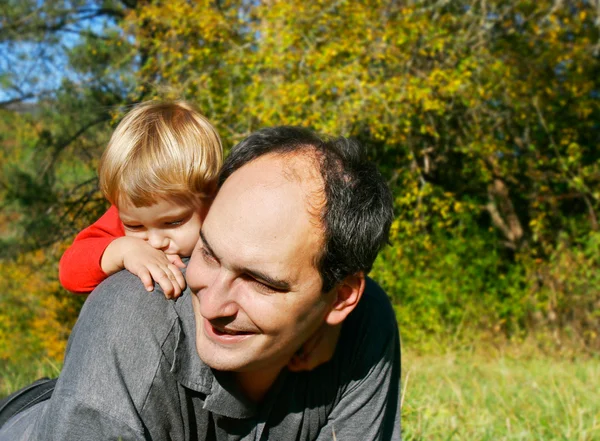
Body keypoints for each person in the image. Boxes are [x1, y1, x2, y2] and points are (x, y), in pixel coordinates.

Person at [0, 126, 401, 440]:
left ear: (341, 298)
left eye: (260, 282)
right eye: (207, 254)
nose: (212, 307)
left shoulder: (363, 326)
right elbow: (73, 268)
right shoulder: (133, 309)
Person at [59, 100, 223, 299]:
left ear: (212, 197)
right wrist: (124, 249)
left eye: (173, 222)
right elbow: (70, 271)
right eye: (135, 227)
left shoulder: (230, 211)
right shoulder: (130, 214)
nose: (154, 242)